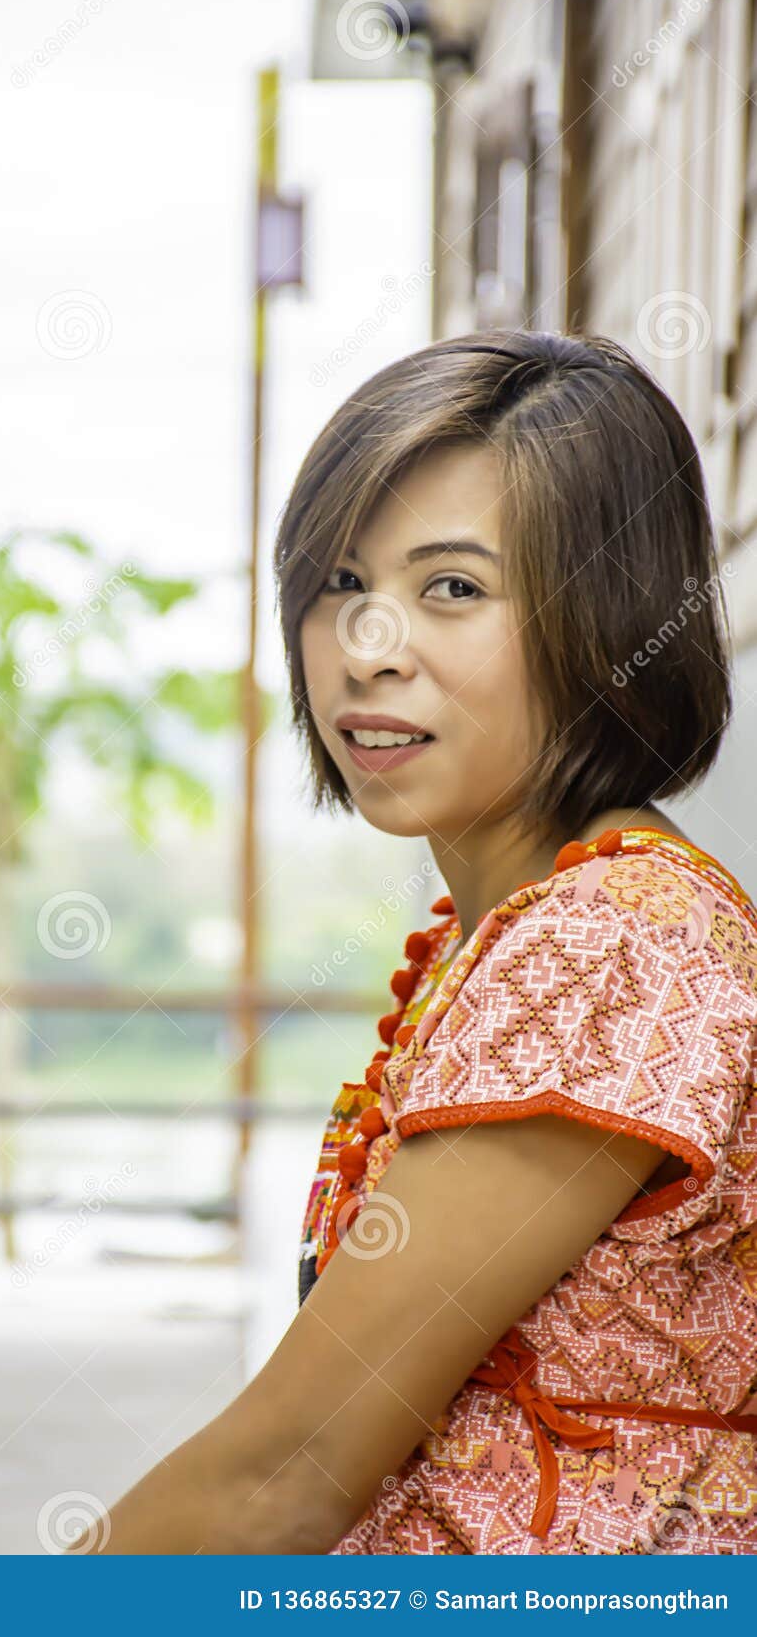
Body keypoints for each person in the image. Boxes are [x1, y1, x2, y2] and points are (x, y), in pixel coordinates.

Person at [96, 329, 748, 1552]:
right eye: (339, 584)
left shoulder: (611, 944)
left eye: (450, 587)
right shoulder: (508, 925)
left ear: (604, 621)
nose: (365, 648)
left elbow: (283, 1472)